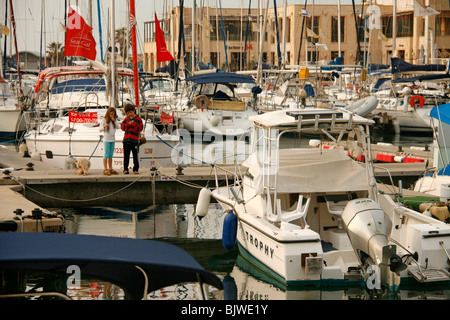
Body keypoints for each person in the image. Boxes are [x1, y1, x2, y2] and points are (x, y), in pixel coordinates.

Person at [121, 104, 143, 174]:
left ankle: (135, 169)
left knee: (135, 156)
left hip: (134, 140)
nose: (129, 114)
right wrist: (128, 124)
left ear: (134, 110)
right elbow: (122, 127)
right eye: (128, 113)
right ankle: (125, 169)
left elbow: (140, 128)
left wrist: (133, 124)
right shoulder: (126, 119)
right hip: (126, 140)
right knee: (126, 156)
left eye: (130, 112)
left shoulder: (138, 119)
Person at [99, 107, 120, 175]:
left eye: (113, 114)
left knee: (111, 154)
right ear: (108, 114)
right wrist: (104, 126)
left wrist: (114, 121)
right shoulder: (104, 120)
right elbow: (100, 129)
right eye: (111, 114)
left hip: (112, 139)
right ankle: (105, 169)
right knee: (106, 154)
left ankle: (110, 168)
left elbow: (118, 127)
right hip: (106, 139)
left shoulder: (114, 121)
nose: (112, 116)